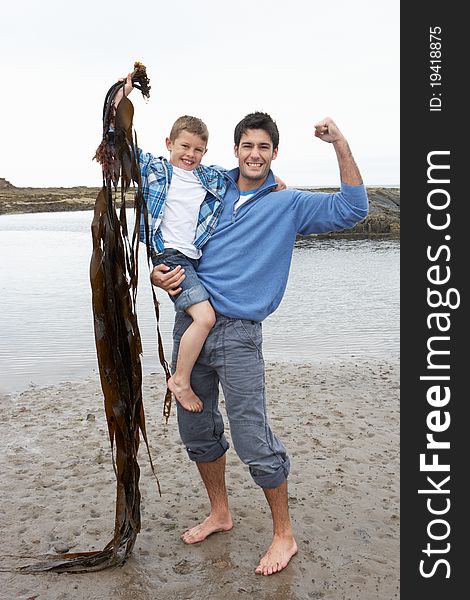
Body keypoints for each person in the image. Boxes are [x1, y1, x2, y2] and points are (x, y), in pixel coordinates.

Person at [152, 110, 369, 576]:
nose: (254, 154)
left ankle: (284, 535)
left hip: (239, 334)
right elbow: (171, 234)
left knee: (253, 437)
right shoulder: (209, 185)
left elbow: (354, 210)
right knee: (196, 431)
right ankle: (220, 512)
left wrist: (340, 144)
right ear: (235, 150)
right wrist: (158, 273)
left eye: (263, 147)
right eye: (247, 146)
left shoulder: (287, 203)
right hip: (190, 322)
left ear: (274, 153)